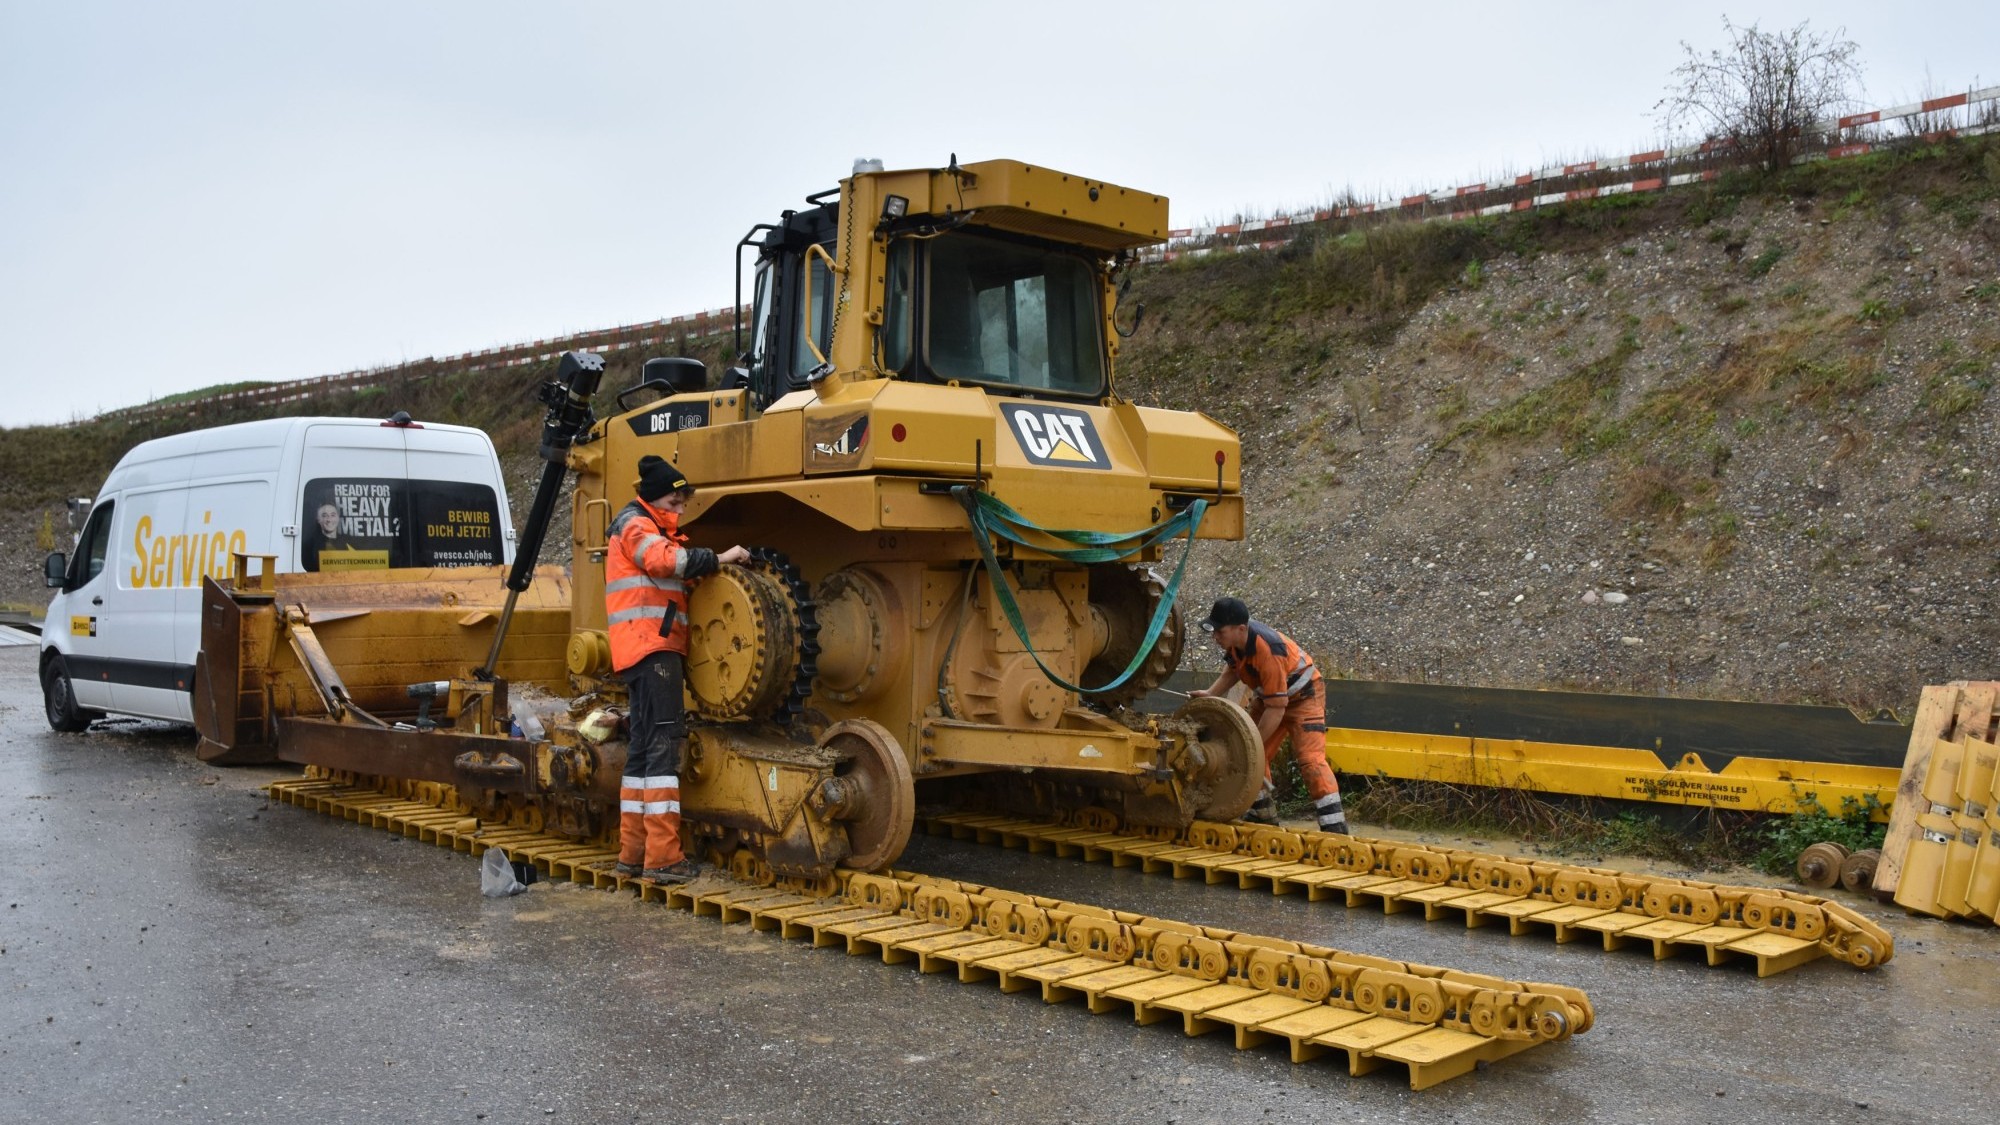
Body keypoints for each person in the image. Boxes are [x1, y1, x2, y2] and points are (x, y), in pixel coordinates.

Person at [606, 455, 749, 883]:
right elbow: (665, 563)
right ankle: (664, 859)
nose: (680, 508)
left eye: (684, 501)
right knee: (664, 746)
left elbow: (665, 576)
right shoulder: (635, 525)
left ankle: (632, 855)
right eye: (674, 499)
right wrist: (720, 558)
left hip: (641, 649)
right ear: (653, 497)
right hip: (653, 649)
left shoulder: (644, 526)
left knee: (642, 749)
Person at [1187, 596, 1349, 834]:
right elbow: (1234, 669)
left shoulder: (1268, 651)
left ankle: (1334, 826)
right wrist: (1210, 693)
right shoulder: (1237, 643)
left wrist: (1252, 742)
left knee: (1309, 760)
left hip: (1304, 698)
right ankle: (1263, 817)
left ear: (1240, 629)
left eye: (1219, 632)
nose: (1215, 637)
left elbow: (1278, 708)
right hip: (1270, 698)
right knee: (1250, 756)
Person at [300, 500, 343, 571]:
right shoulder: (310, 545)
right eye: (324, 516)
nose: (329, 519)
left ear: (338, 518)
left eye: (333, 515)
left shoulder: (348, 541)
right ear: (318, 519)